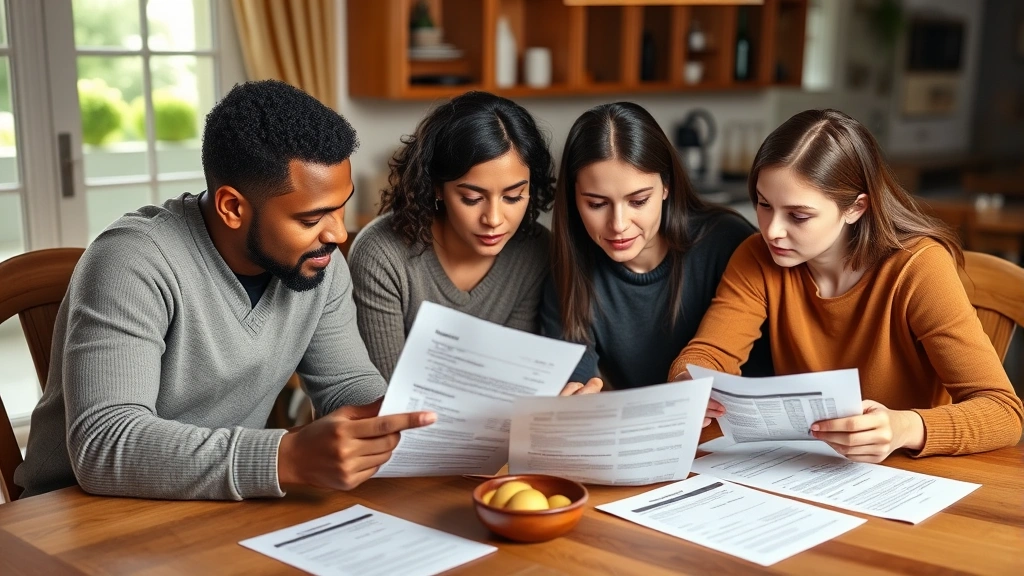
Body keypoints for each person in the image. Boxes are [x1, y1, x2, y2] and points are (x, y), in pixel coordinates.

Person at [15, 80, 435, 500]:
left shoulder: (319, 263)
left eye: (341, 205)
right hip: (75, 515)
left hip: (215, 509)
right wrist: (283, 457)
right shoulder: (131, 262)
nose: (338, 232)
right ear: (232, 207)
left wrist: (404, 419)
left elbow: (345, 385)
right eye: (311, 219)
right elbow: (104, 444)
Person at [671, 109, 1023, 462]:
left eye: (798, 216)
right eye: (764, 204)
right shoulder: (757, 256)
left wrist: (904, 427)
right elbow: (709, 354)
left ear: (856, 208)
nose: (772, 230)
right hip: (805, 466)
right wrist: (690, 381)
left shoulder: (918, 267)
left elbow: (1004, 412)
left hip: (910, 475)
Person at [349, 91, 601, 395]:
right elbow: (385, 398)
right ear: (437, 188)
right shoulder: (382, 254)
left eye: (513, 196)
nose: (494, 218)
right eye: (472, 198)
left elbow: (509, 385)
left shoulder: (535, 252)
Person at [540, 102, 773, 390]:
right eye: (597, 204)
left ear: (666, 186)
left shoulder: (727, 242)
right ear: (573, 197)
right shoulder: (568, 266)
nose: (619, 224)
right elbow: (576, 377)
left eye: (638, 201)